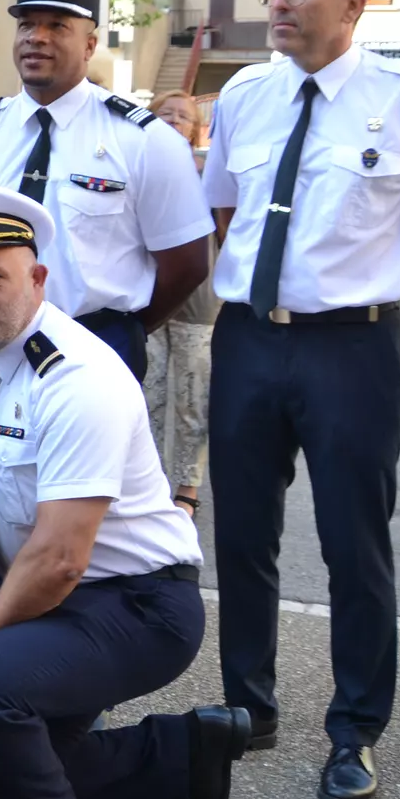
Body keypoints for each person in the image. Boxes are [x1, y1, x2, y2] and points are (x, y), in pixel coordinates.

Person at [203, 0, 400, 799]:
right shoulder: (245, 94)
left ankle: (355, 729)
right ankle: (248, 705)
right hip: (248, 339)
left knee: (353, 543)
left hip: (351, 348)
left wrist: (373, 287)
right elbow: (226, 214)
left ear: (355, 2)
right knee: (241, 536)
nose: (279, 3)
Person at [0, 184, 249, 799]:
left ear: (37, 279)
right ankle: (188, 753)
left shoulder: (79, 376)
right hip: (54, 601)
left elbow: (61, 555)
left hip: (137, 606)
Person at [0, 0, 211, 378]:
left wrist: (127, 328)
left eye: (57, 26)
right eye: (27, 24)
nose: (37, 38)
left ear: (90, 45)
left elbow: (188, 263)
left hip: (96, 343)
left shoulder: (143, 140)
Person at [142, 91, 217, 513]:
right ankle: (148, 483)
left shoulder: (209, 173)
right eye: (165, 113)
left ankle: (187, 488)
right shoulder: (140, 164)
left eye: (183, 117)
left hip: (198, 305)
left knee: (192, 400)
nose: (174, 120)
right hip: (149, 298)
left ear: (194, 129)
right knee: (147, 396)